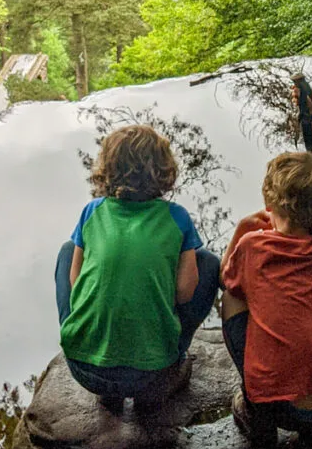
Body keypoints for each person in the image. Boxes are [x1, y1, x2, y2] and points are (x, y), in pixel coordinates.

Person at [220, 75, 312, 446]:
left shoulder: (253, 245)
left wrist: (243, 230)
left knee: (233, 295)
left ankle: (254, 412)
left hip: (281, 409)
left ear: (271, 204)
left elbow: (226, 278)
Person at [56, 124, 220, 413]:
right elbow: (184, 295)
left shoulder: (92, 212)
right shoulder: (177, 217)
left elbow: (75, 281)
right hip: (151, 372)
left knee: (68, 250)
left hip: (84, 369)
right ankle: (171, 361)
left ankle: (107, 385)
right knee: (206, 261)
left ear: (106, 169)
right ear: (163, 170)